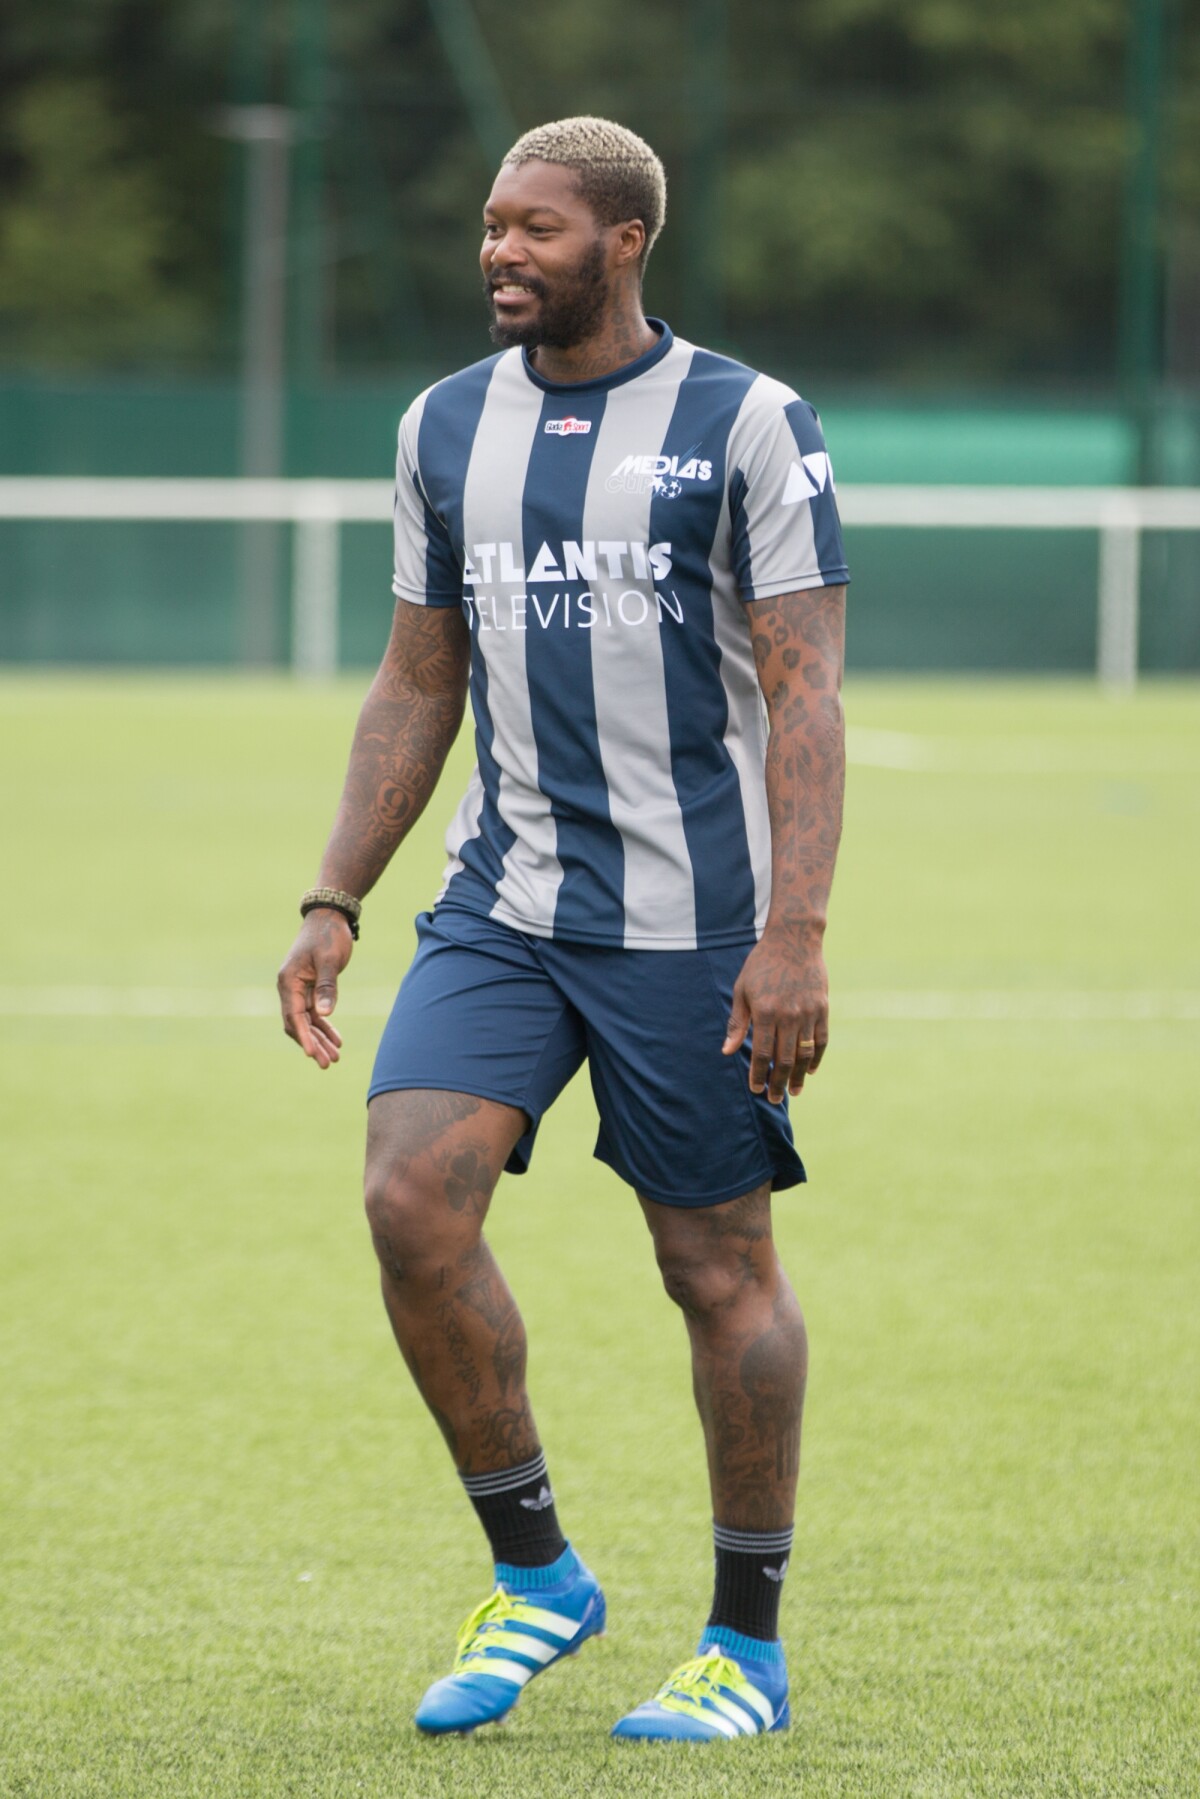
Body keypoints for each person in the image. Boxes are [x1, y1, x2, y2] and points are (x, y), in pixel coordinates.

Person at [277, 115, 848, 1743]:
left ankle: (744, 1642)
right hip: (503, 904)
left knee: (713, 1266)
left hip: (697, 923)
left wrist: (793, 931)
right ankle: (540, 1576)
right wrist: (337, 897)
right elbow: (416, 678)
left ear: (623, 241)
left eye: (535, 229)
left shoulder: (750, 423)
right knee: (409, 1199)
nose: (498, 252)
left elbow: (807, 701)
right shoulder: (444, 425)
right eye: (489, 225)